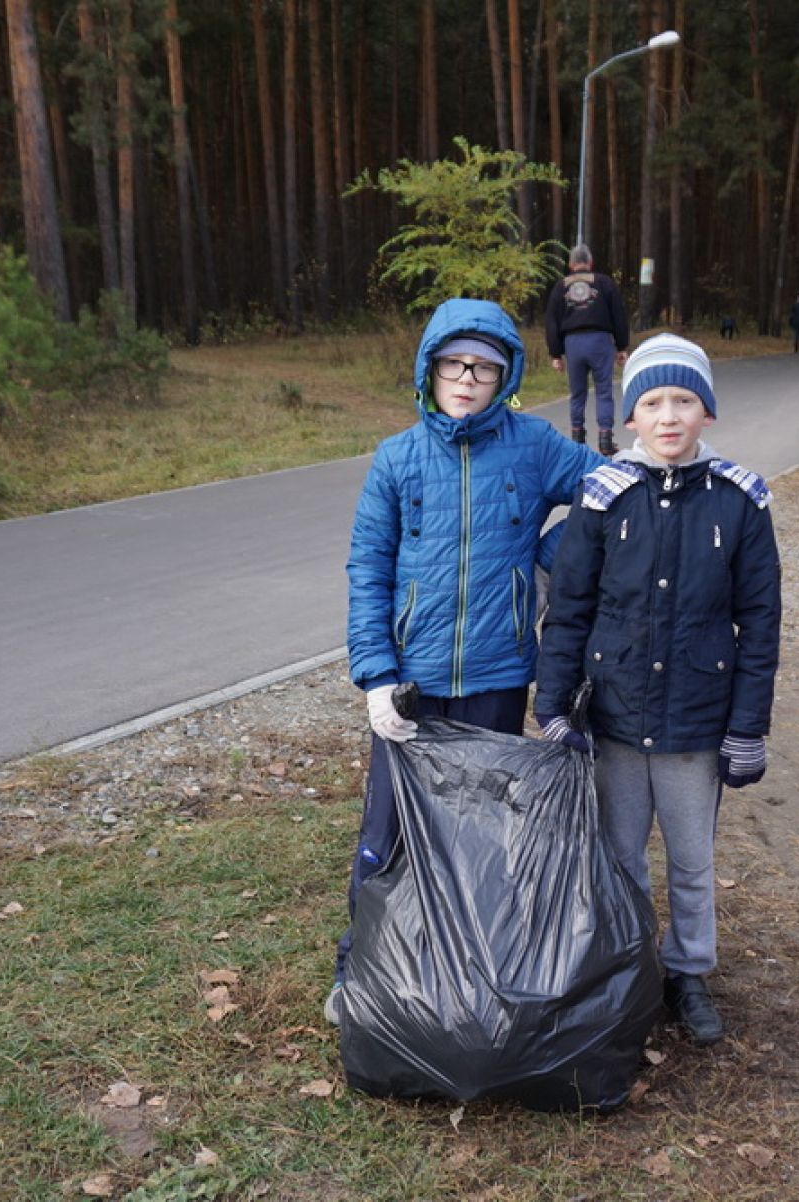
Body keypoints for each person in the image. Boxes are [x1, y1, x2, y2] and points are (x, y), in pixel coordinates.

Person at [333, 297, 605, 1024]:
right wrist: (377, 677)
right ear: (430, 368)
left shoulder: (534, 445)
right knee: (388, 832)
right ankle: (360, 969)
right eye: (454, 363)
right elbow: (369, 567)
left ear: (504, 375)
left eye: (483, 367)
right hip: (412, 685)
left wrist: (543, 565)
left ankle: (466, 976)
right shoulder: (395, 459)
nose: (466, 377)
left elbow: (608, 491)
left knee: (479, 837)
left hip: (496, 674)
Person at [533, 333, 782, 1047]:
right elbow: (570, 608)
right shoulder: (604, 497)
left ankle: (688, 971)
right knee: (618, 853)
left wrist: (746, 727)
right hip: (614, 714)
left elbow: (760, 622)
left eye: (684, 400)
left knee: (692, 859)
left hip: (696, 723)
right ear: (631, 416)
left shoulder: (739, 503)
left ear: (707, 412)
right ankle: (629, 964)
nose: (668, 416)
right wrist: (552, 704)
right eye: (652, 401)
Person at [545, 244, 631, 456]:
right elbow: (618, 315)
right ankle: (605, 439)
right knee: (603, 391)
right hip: (600, 341)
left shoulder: (560, 286)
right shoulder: (604, 282)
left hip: (572, 343)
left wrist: (556, 353)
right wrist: (621, 346)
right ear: (590, 263)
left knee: (577, 394)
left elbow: (551, 322)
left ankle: (577, 440)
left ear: (571, 264)